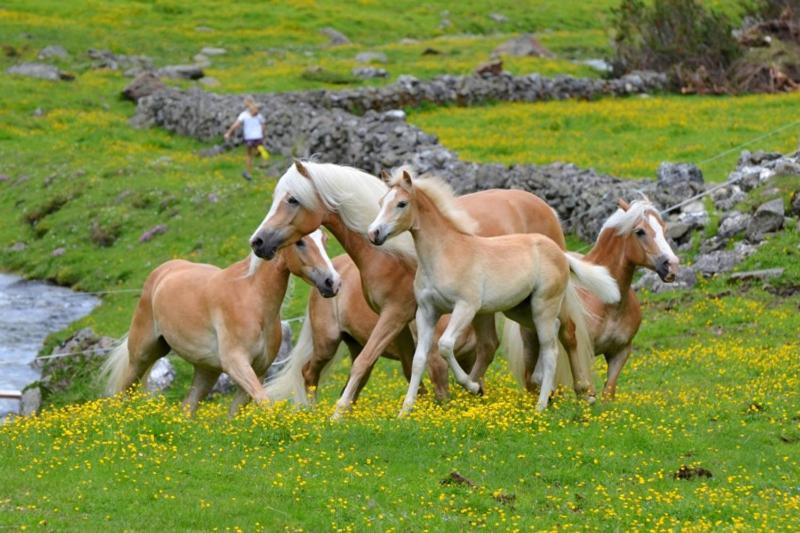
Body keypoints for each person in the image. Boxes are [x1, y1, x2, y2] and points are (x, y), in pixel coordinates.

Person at [224, 97, 266, 181]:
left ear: (248, 102)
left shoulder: (244, 114)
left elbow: (236, 124)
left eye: (245, 102)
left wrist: (229, 132)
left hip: (250, 137)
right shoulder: (258, 114)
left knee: (249, 155)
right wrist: (262, 133)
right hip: (258, 136)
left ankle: (249, 172)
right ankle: (264, 164)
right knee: (261, 150)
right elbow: (263, 124)